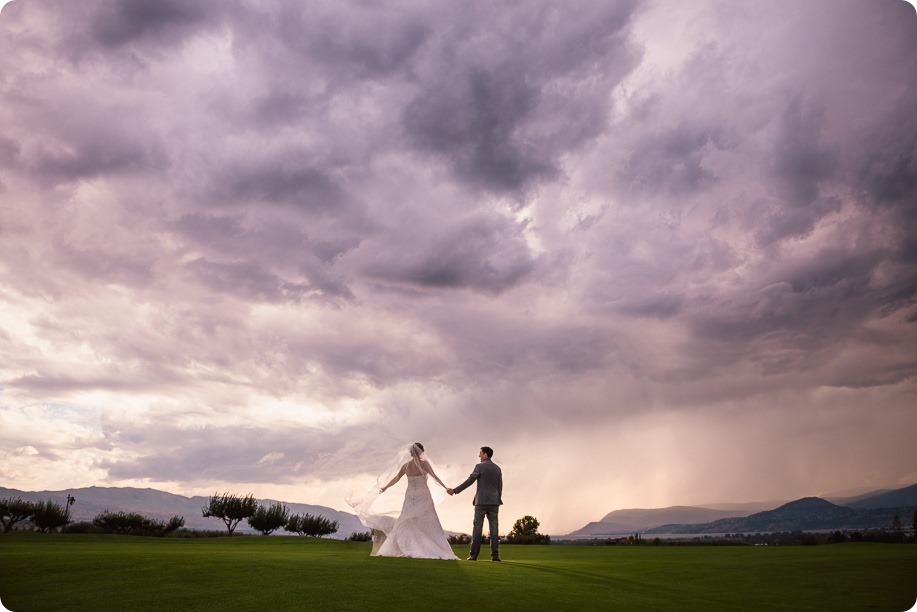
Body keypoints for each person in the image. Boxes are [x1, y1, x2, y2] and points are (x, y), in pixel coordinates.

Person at [346, 443, 458, 560]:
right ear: (422, 452)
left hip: (410, 495)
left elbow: (396, 478)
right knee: (428, 520)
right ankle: (427, 546)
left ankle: (409, 545)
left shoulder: (406, 466)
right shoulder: (424, 464)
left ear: (410, 452)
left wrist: (385, 487)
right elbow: (435, 477)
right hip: (423, 495)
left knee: (408, 520)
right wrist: (446, 488)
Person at [447, 446, 503, 561]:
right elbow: (500, 486)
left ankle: (473, 555)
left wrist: (455, 490)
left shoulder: (480, 467)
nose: (479, 456)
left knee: (477, 529)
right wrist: (497, 499)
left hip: (481, 502)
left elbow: (469, 481)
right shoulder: (497, 468)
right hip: (494, 502)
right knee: (494, 529)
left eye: (480, 454)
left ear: (485, 454)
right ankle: (495, 556)